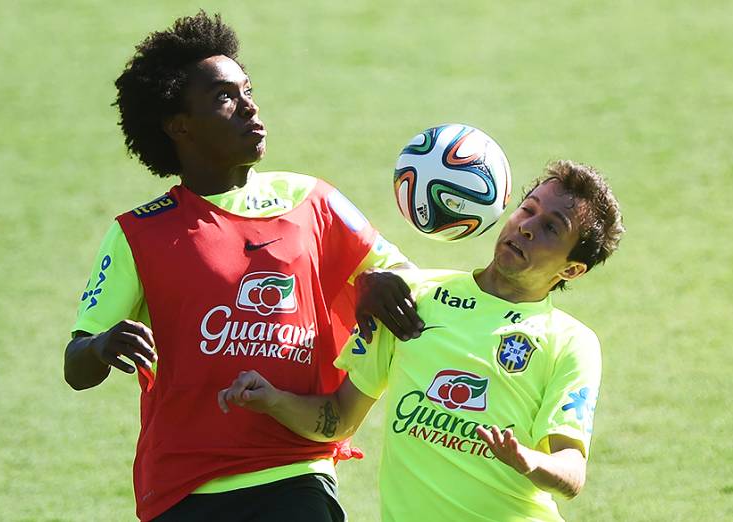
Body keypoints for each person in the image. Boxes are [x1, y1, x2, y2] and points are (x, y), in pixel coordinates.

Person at [63, 11, 423, 522]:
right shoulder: (139, 234)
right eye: (224, 98)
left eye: (247, 89)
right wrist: (101, 345)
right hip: (186, 488)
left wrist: (378, 283)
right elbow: (75, 368)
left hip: (296, 473)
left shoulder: (311, 199)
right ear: (179, 126)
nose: (250, 107)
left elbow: (408, 282)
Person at [219, 160, 625, 521]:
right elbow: (338, 418)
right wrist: (272, 398)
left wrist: (527, 460)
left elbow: (571, 472)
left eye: (551, 227)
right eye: (528, 209)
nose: (527, 227)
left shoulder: (572, 342)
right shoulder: (410, 297)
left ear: (573, 270)